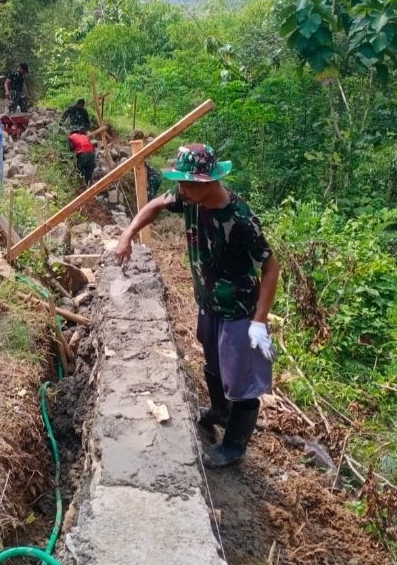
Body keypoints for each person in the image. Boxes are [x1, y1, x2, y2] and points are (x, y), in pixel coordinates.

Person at [114, 144, 279, 468]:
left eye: (187, 183)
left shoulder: (241, 219)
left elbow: (271, 266)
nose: (181, 190)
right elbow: (156, 205)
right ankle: (219, 410)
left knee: (240, 380)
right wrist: (128, 233)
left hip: (238, 310)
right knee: (213, 360)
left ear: (209, 182)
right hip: (208, 303)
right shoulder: (189, 198)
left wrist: (259, 321)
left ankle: (233, 447)